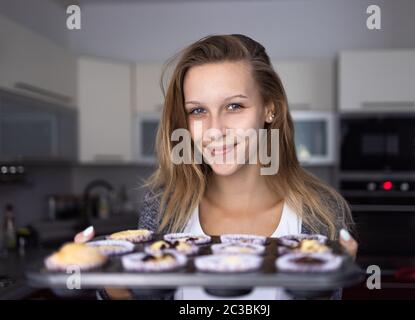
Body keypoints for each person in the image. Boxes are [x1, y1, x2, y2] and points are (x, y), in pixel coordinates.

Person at [75, 34, 358, 300]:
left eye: (234, 106)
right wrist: (116, 289)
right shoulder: (163, 206)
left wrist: (328, 288)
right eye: (198, 111)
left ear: (270, 108)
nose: (215, 130)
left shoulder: (322, 212)